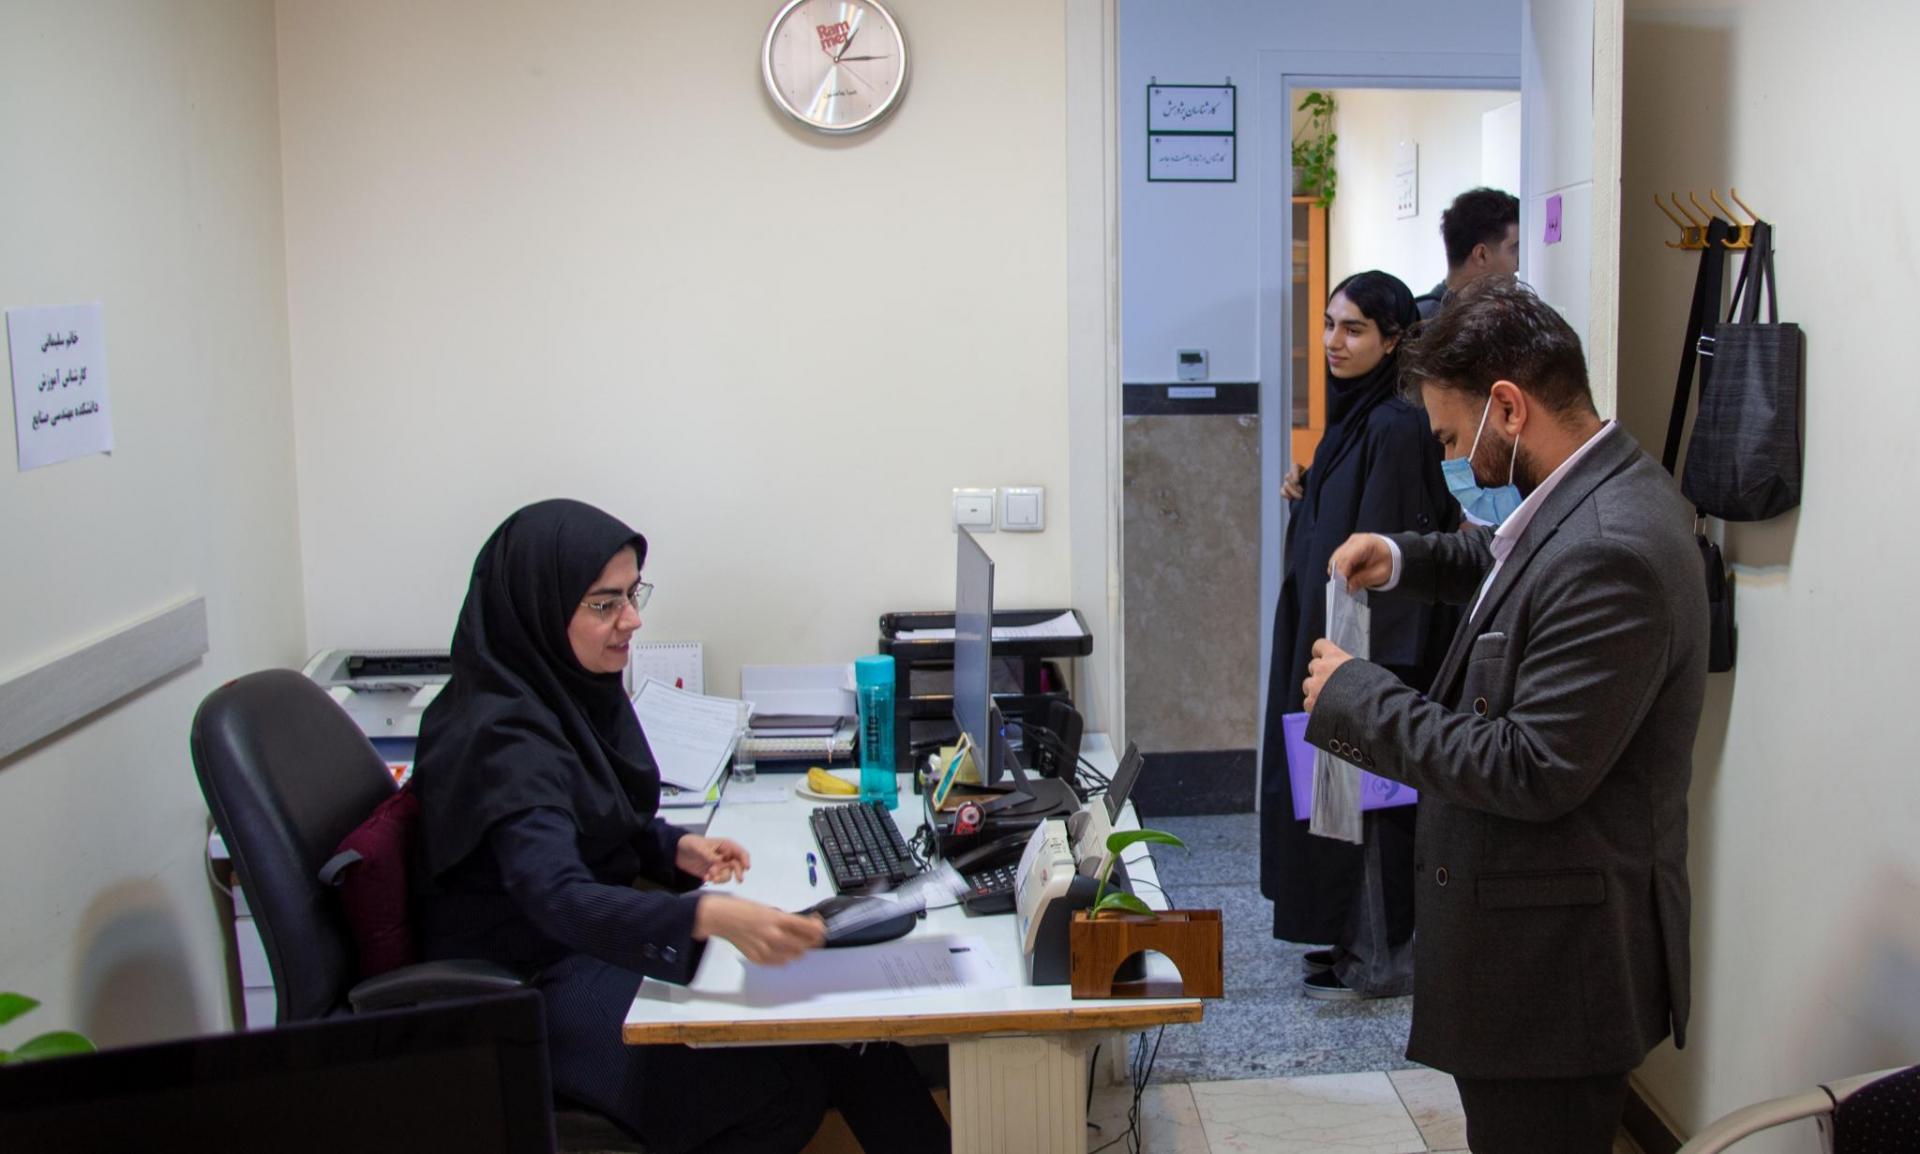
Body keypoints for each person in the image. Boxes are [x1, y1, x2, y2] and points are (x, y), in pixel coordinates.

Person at [1301, 278, 1707, 1154]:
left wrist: (1357, 696)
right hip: (1532, 952)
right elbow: (1510, 558)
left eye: (1453, 440)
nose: (1452, 462)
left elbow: (1529, 767)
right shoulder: (1590, 490)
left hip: (1557, 973)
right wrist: (1403, 557)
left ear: (1510, 410)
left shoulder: (1613, 551)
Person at [411, 499, 949, 1154]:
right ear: (539, 613)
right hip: (532, 987)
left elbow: (592, 821)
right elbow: (555, 894)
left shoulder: (559, 694)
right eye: (604, 604)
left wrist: (674, 848)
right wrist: (705, 915)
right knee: (783, 1087)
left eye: (632, 595)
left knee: (852, 1039)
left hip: (586, 947)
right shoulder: (502, 739)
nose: (632, 620)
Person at [1259, 270, 1460, 1001]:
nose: (1333, 342)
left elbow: (1393, 543)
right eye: (1328, 324)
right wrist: (1308, 487)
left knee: (1371, 804)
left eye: (1353, 329)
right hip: (1327, 635)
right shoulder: (1355, 417)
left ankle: (1384, 958)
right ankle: (1352, 943)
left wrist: (1369, 673)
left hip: (1367, 647)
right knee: (1333, 798)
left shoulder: (1396, 426)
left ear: (1394, 339)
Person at [1413, 187, 1520, 320]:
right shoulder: (1425, 321)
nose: (1519, 265)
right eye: (1514, 249)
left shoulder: (1493, 315)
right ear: (1481, 255)